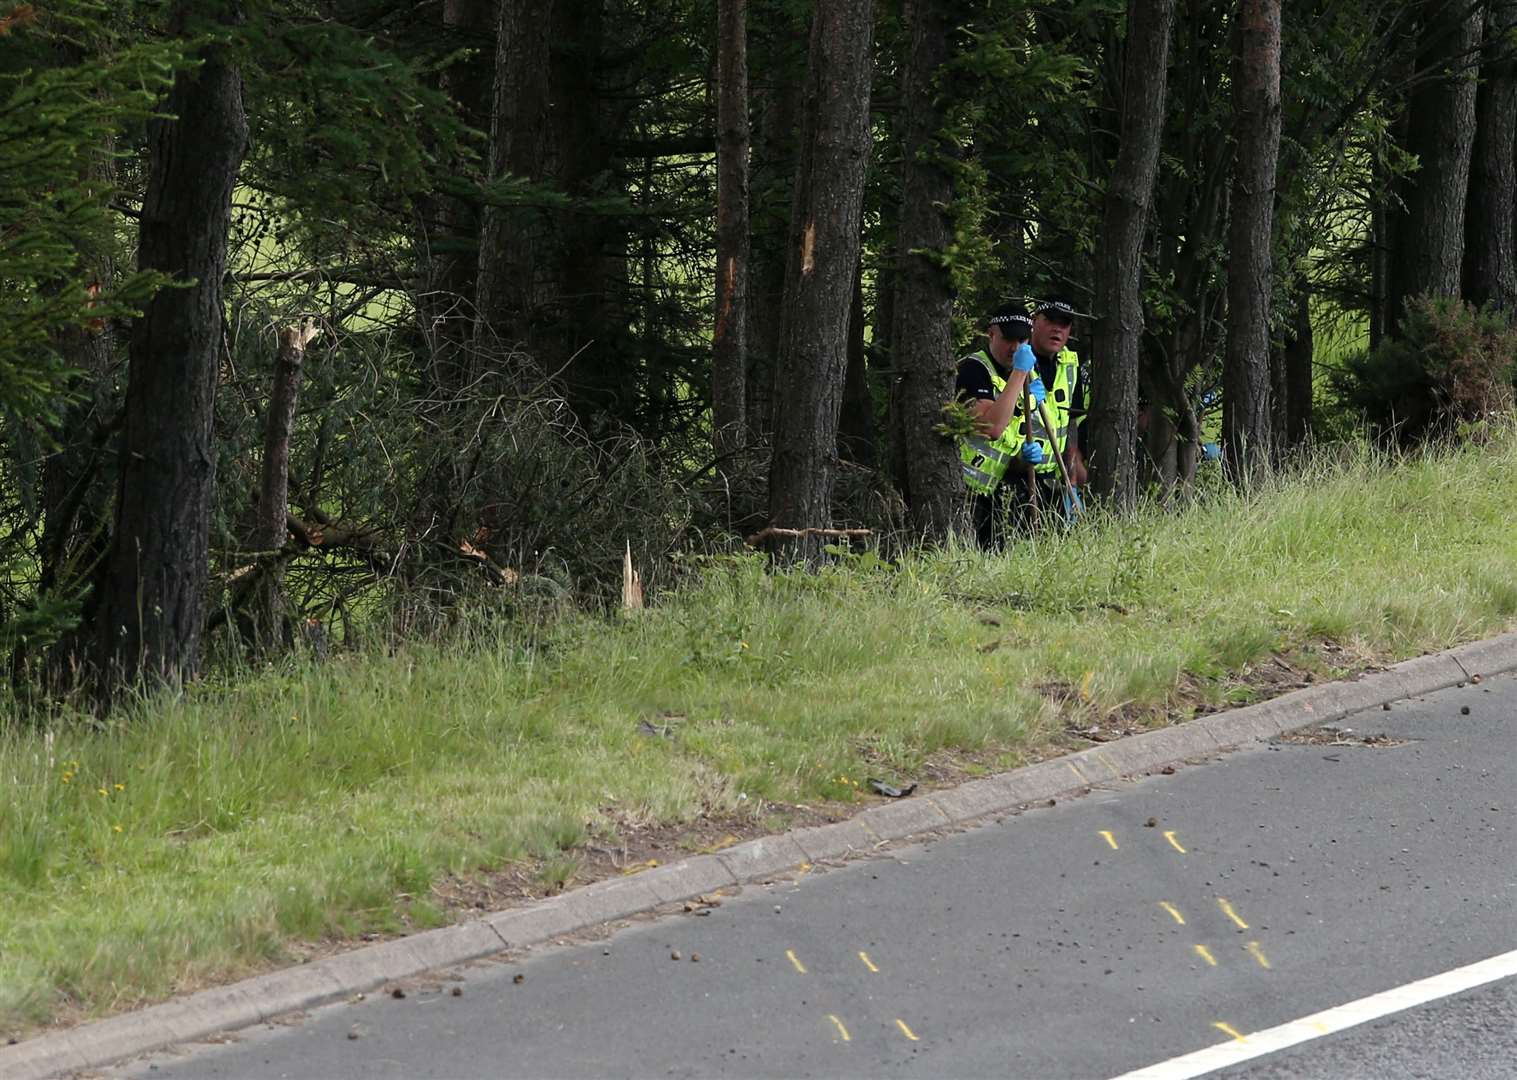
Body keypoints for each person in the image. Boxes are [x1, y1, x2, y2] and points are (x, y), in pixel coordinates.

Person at [955, 304, 1048, 548]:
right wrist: (1019, 374)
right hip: (964, 492)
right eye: (1008, 338)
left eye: (1022, 339)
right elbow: (991, 428)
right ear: (991, 334)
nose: (1015, 348)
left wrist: (1023, 459)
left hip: (996, 493)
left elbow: (1007, 438)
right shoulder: (973, 369)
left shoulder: (1025, 375)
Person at [1019, 297, 1092, 514]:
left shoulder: (1070, 363)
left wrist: (1072, 483)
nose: (1057, 329)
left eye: (1064, 324)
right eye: (1050, 321)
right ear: (1034, 321)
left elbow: (1070, 426)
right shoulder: (1019, 358)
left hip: (1053, 477)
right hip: (1016, 473)